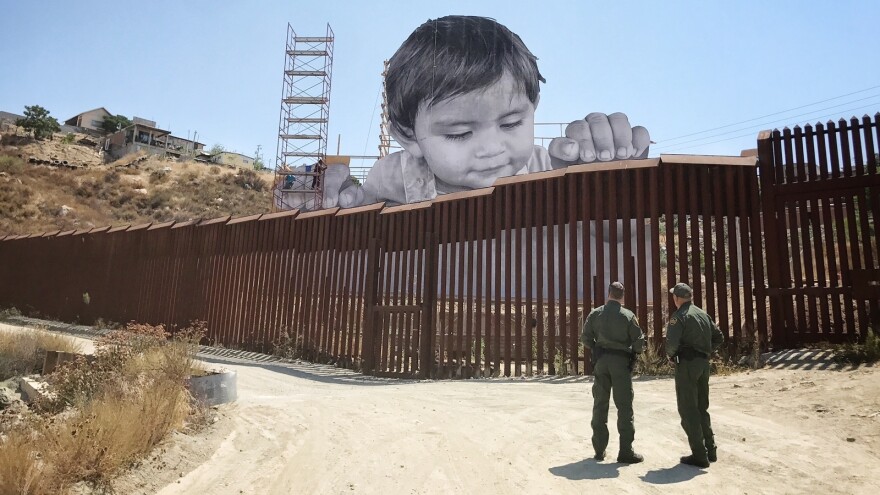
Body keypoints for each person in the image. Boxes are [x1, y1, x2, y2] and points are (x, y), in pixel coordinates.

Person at [323, 15, 650, 209]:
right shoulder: (390, 178)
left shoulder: (550, 170)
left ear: (533, 108)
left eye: (511, 123)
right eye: (459, 133)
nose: (492, 148)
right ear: (409, 136)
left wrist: (611, 187)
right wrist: (333, 207)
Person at [581, 281, 646, 464]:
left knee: (600, 404)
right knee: (624, 406)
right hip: (621, 364)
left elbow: (585, 338)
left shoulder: (596, 314)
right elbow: (639, 343)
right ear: (622, 296)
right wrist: (634, 354)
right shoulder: (628, 316)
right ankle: (625, 452)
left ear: (608, 293)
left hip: (601, 362)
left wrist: (597, 349)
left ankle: (599, 451)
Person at [666, 282, 725, 468]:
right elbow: (719, 337)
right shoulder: (702, 314)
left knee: (687, 408)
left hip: (687, 365)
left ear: (677, 298)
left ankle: (699, 455)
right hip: (703, 364)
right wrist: (705, 352)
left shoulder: (679, 316)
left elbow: (671, 344)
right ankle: (711, 450)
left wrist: (671, 356)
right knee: (701, 407)